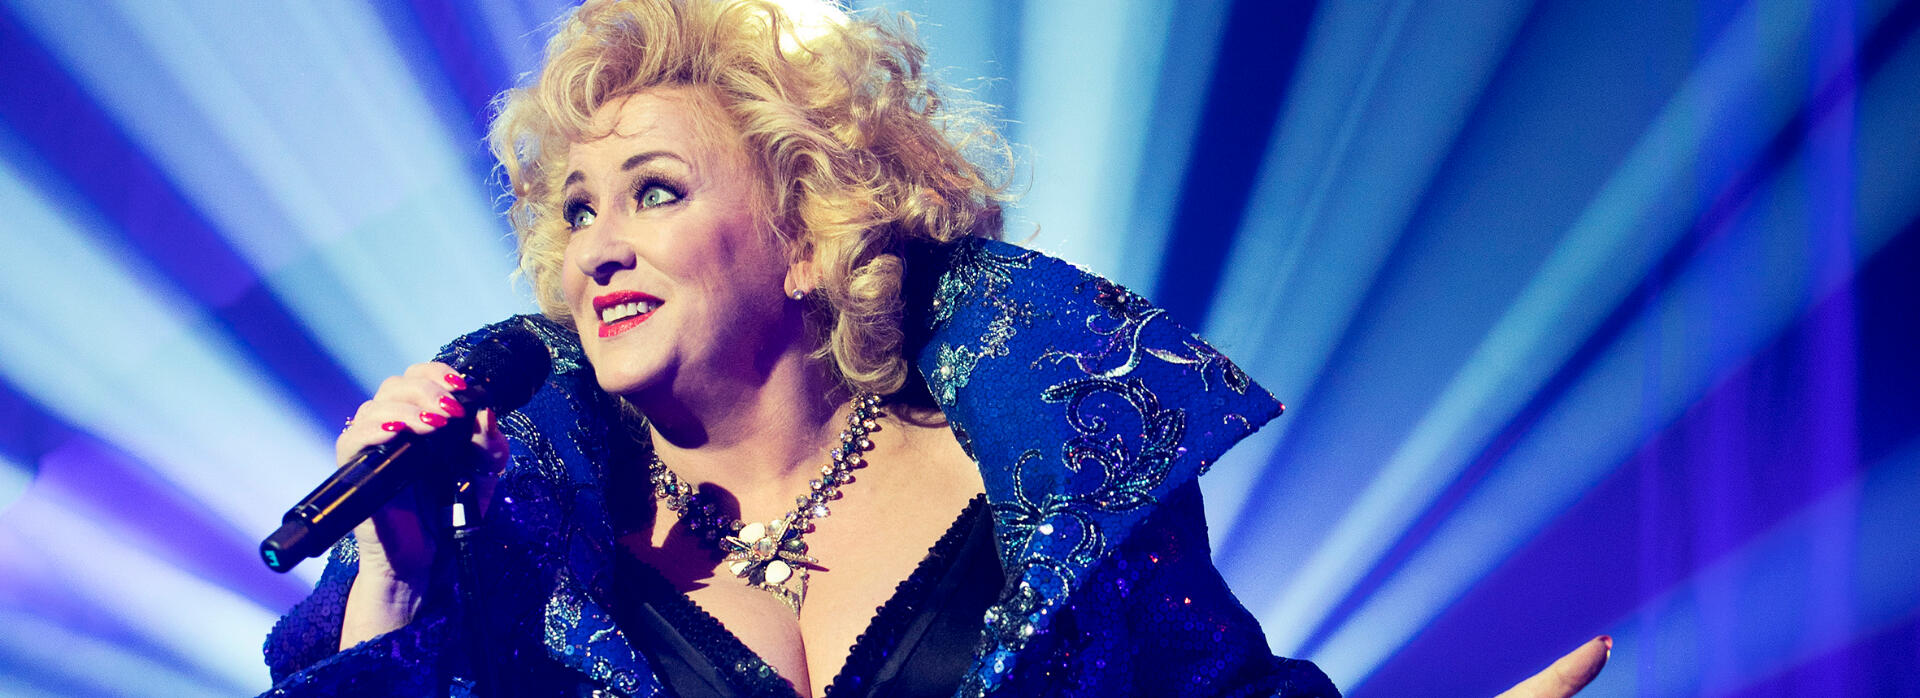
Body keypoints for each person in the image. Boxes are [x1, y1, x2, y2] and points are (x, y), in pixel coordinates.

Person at [260, 1, 1607, 696]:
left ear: (806, 234)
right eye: (576, 211)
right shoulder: (513, 542)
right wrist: (394, 588)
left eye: (654, 191)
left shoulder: (1050, 481)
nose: (598, 244)